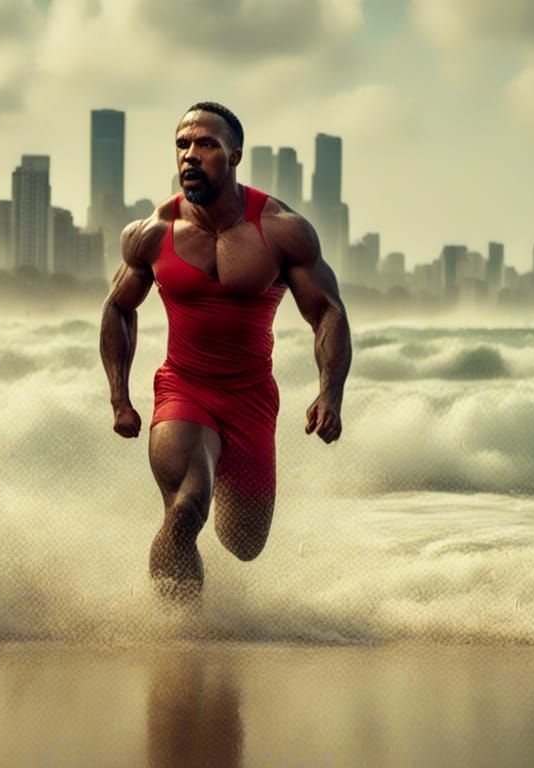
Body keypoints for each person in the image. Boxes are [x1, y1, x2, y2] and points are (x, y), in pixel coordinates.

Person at [100, 102, 352, 602]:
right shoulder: (151, 233)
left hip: (252, 398)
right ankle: (176, 638)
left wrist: (331, 394)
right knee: (186, 504)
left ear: (234, 155)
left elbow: (326, 311)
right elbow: (117, 308)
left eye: (206, 144)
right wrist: (119, 397)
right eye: (183, 145)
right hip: (183, 388)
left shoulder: (281, 229)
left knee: (243, 541)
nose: (191, 155)